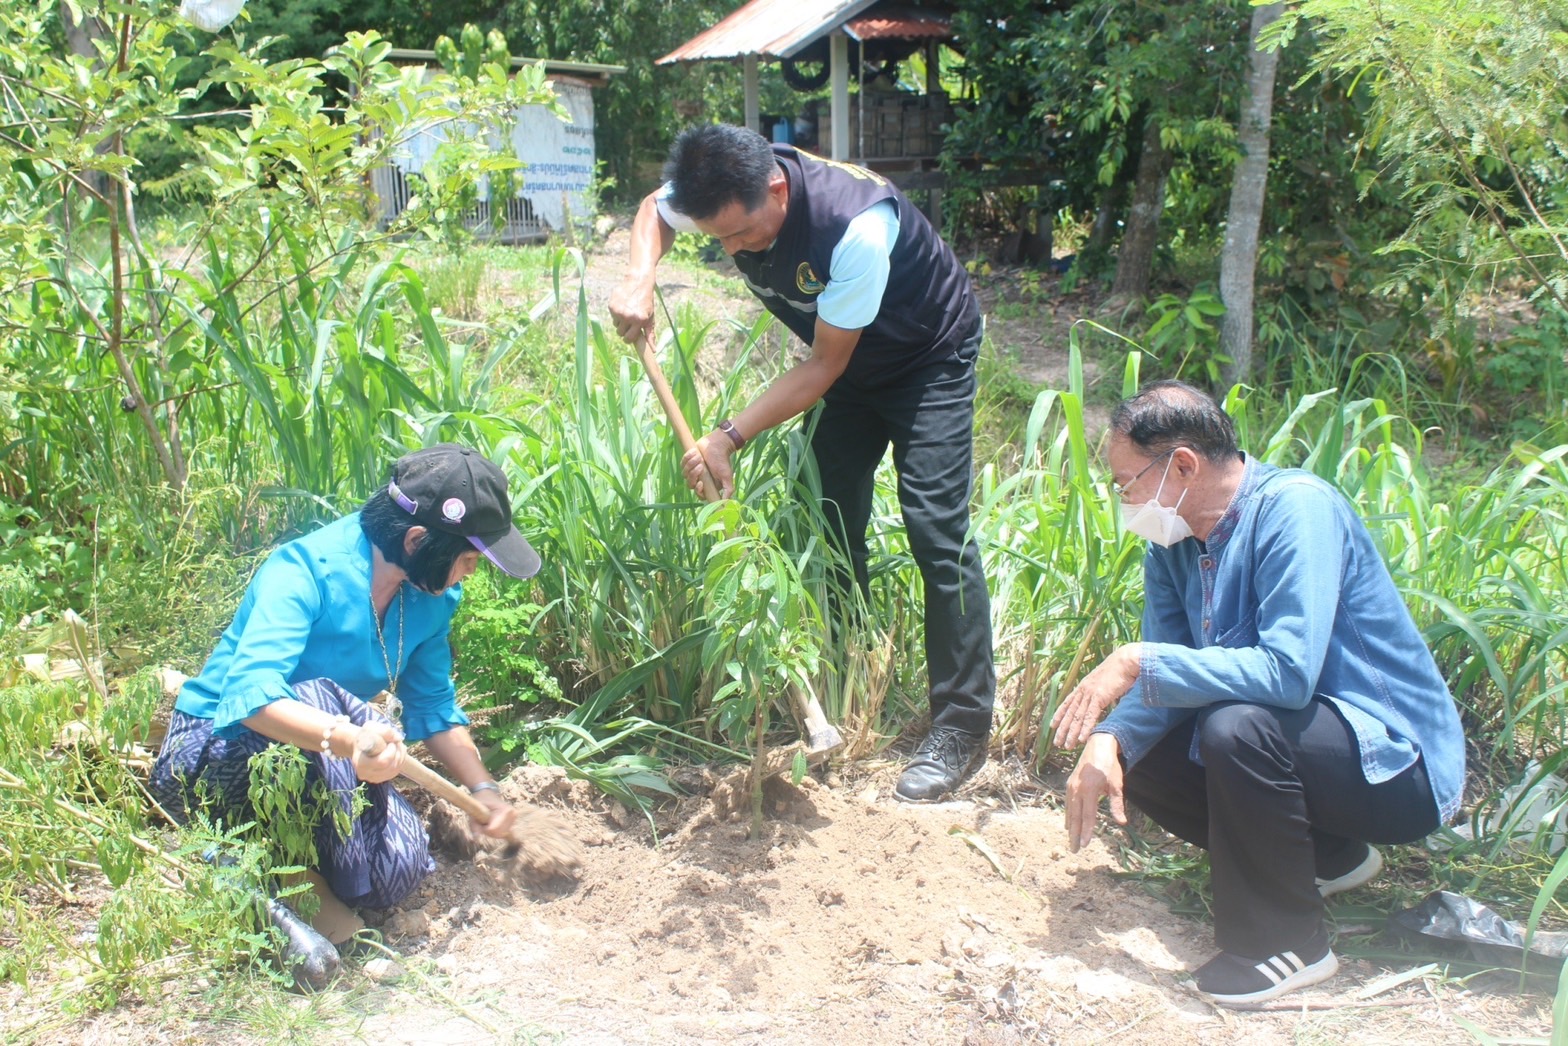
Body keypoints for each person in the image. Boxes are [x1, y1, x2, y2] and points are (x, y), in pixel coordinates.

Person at [610, 124, 995, 802]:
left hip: (925, 355)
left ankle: (962, 727)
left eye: (742, 234)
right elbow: (651, 210)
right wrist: (640, 277)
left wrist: (727, 436)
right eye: (717, 239)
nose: (732, 250)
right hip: (841, 354)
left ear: (777, 190)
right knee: (825, 506)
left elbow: (822, 366)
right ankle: (847, 670)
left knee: (937, 527)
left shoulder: (856, 229)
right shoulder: (721, 183)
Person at [1049, 380, 1465, 1006]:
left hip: (1397, 764)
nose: (1124, 499)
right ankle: (1331, 857)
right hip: (1311, 751)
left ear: (1182, 465)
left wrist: (1137, 660)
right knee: (1143, 749)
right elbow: (1169, 679)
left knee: (1236, 727)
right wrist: (1111, 737)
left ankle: (1287, 944)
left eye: (1127, 482)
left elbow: (1287, 674)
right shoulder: (1173, 545)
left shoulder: (1296, 509)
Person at [150, 444, 543, 942]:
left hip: (322, 764)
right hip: (219, 754)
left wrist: (484, 791)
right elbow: (252, 695)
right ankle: (232, 861)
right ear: (419, 539)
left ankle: (271, 865)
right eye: (468, 558)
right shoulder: (303, 570)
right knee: (319, 695)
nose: (471, 571)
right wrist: (347, 739)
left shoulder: (430, 598)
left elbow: (434, 706)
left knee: (397, 868)